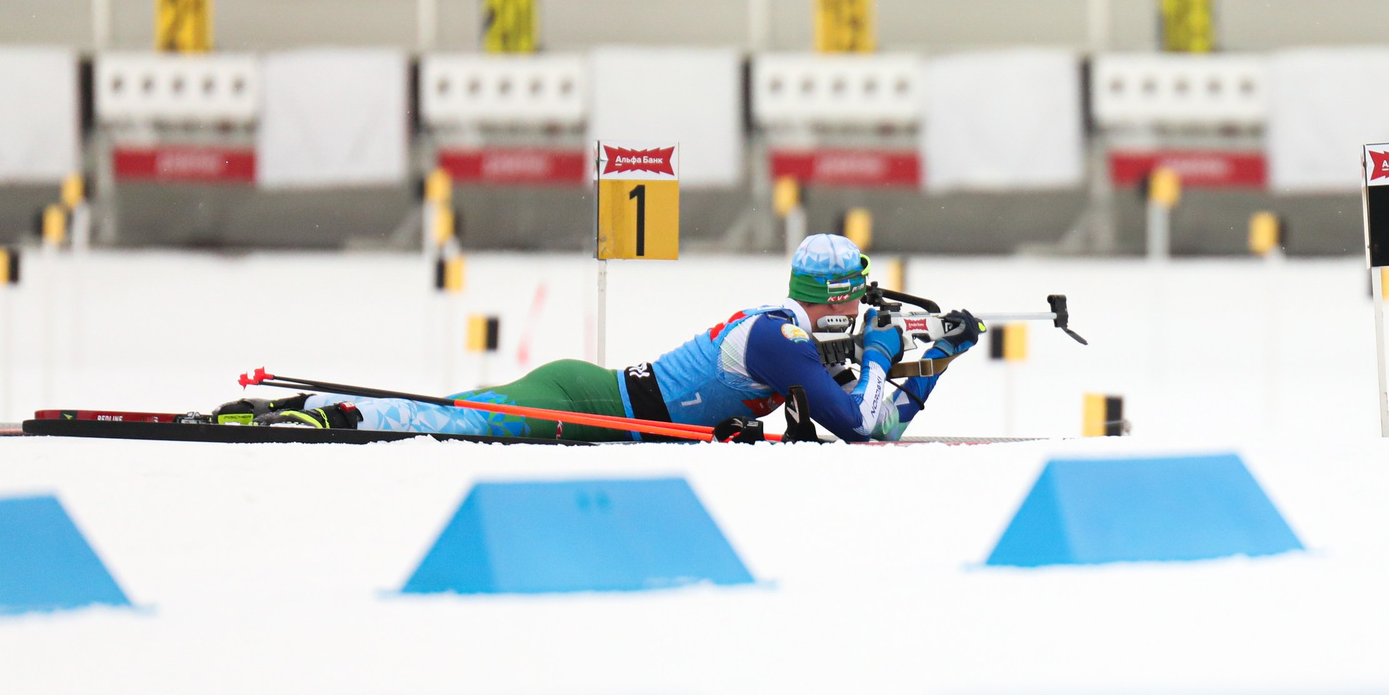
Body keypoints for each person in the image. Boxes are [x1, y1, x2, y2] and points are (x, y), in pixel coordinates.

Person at [221, 235, 978, 442]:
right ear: (838, 302)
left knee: (458, 413)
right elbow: (852, 423)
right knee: (453, 419)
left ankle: (318, 410)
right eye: (860, 306)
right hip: (584, 397)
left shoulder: (796, 336)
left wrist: (934, 363)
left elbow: (879, 419)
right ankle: (323, 412)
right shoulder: (781, 339)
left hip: (613, 407)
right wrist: (883, 351)